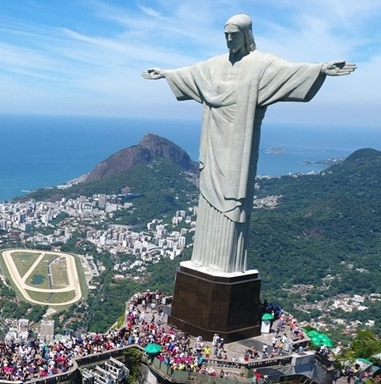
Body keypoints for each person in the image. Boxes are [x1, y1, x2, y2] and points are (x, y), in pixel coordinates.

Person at [142, 14, 355, 273]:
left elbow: (290, 72)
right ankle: (204, 260)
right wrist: (165, 74)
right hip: (211, 145)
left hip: (238, 150)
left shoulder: (262, 64)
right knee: (208, 201)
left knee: (233, 203)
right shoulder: (214, 65)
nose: (230, 40)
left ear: (247, 35)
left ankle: (227, 264)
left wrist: (320, 69)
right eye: (226, 35)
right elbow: (191, 74)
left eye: (235, 34)